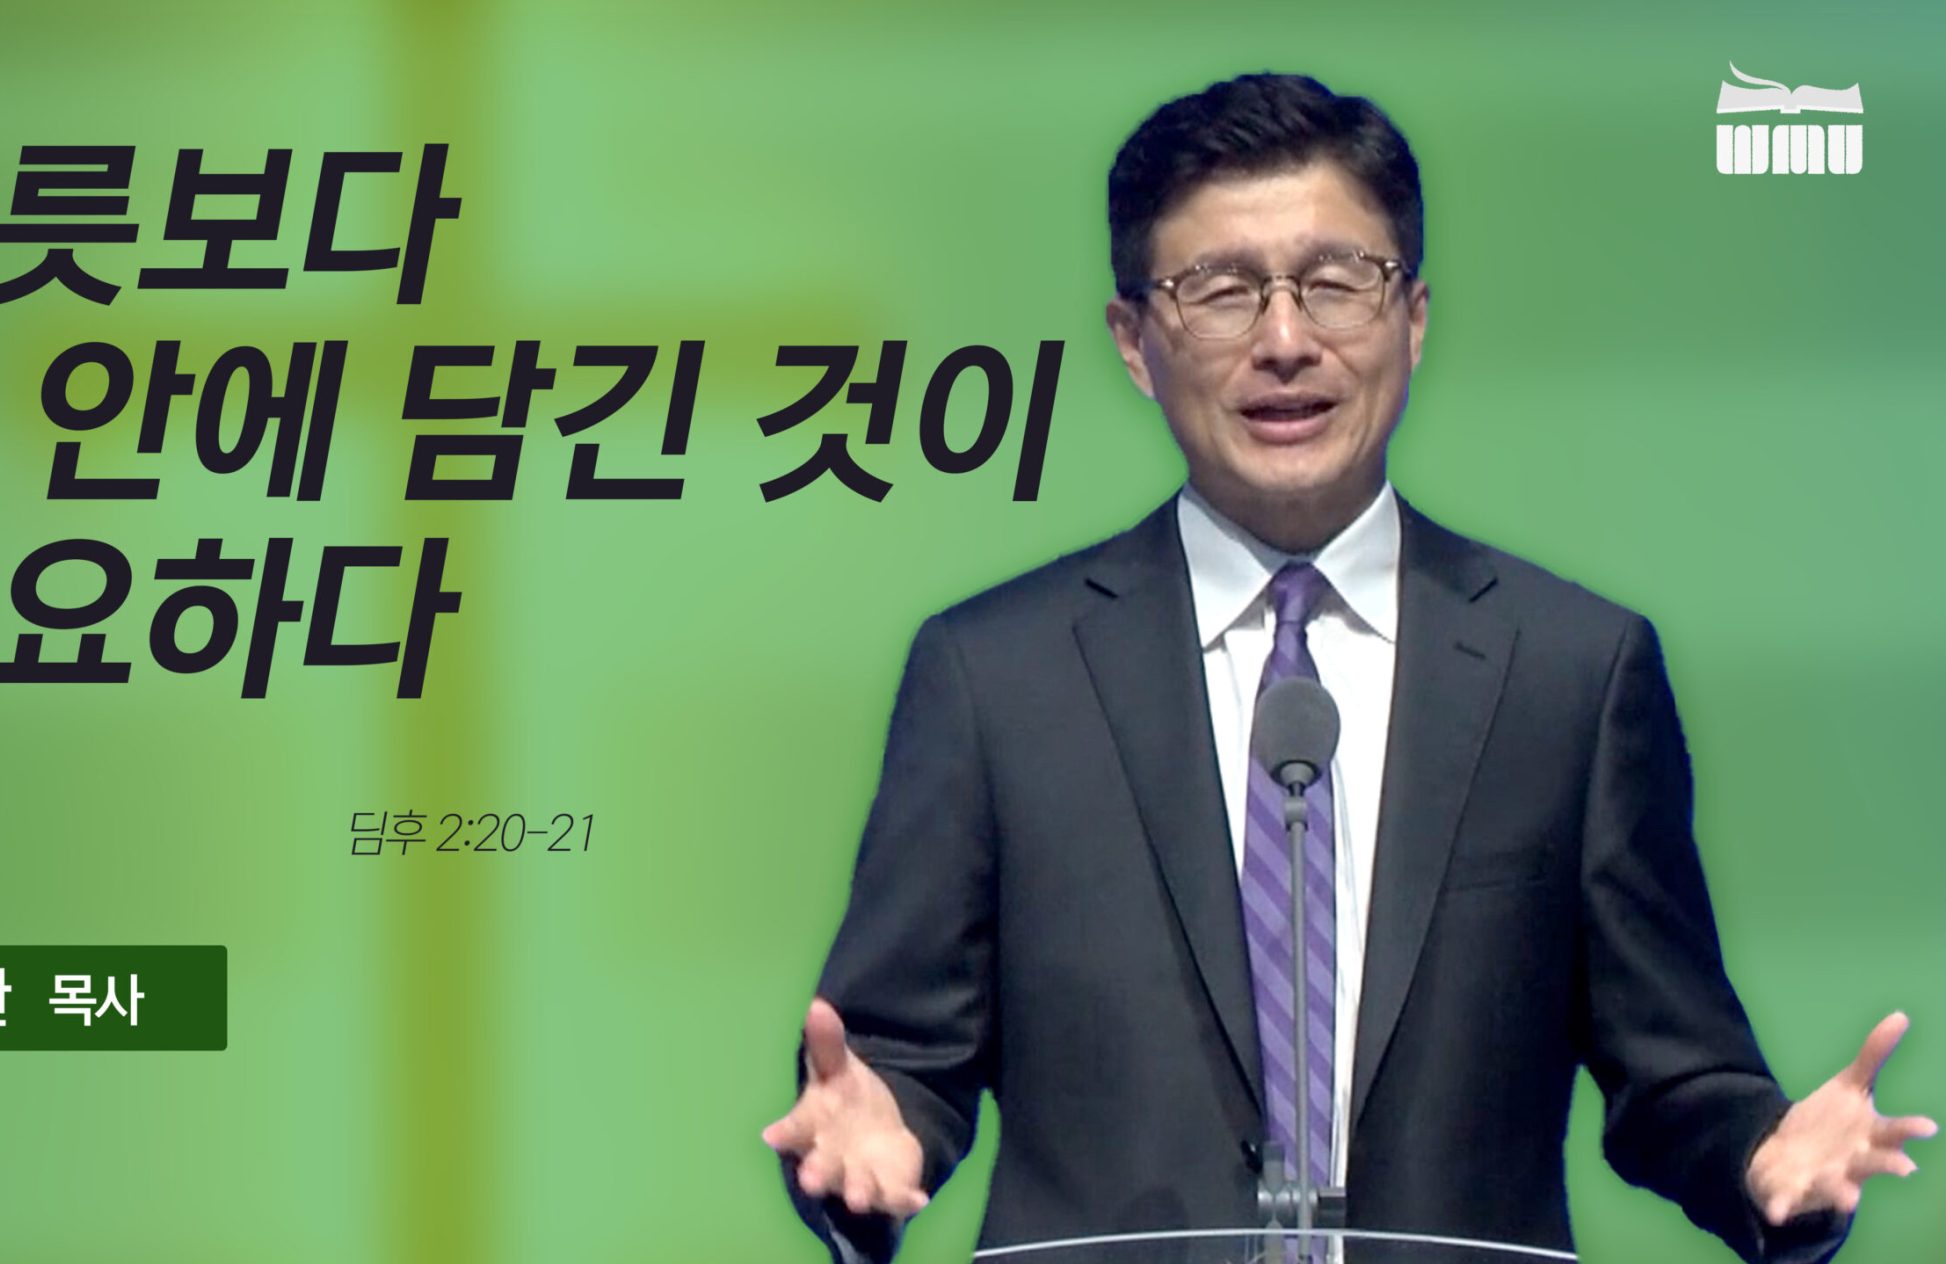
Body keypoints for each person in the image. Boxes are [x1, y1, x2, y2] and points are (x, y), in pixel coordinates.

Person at [760, 73, 1934, 1264]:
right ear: (1134, 341)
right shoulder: (994, 676)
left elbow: (1676, 1074)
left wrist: (1762, 1162)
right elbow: (895, 1066)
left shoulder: (1572, 674)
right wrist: (868, 1142)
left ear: (1412, 318)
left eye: (1334, 282)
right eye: (1222, 291)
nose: (1285, 341)